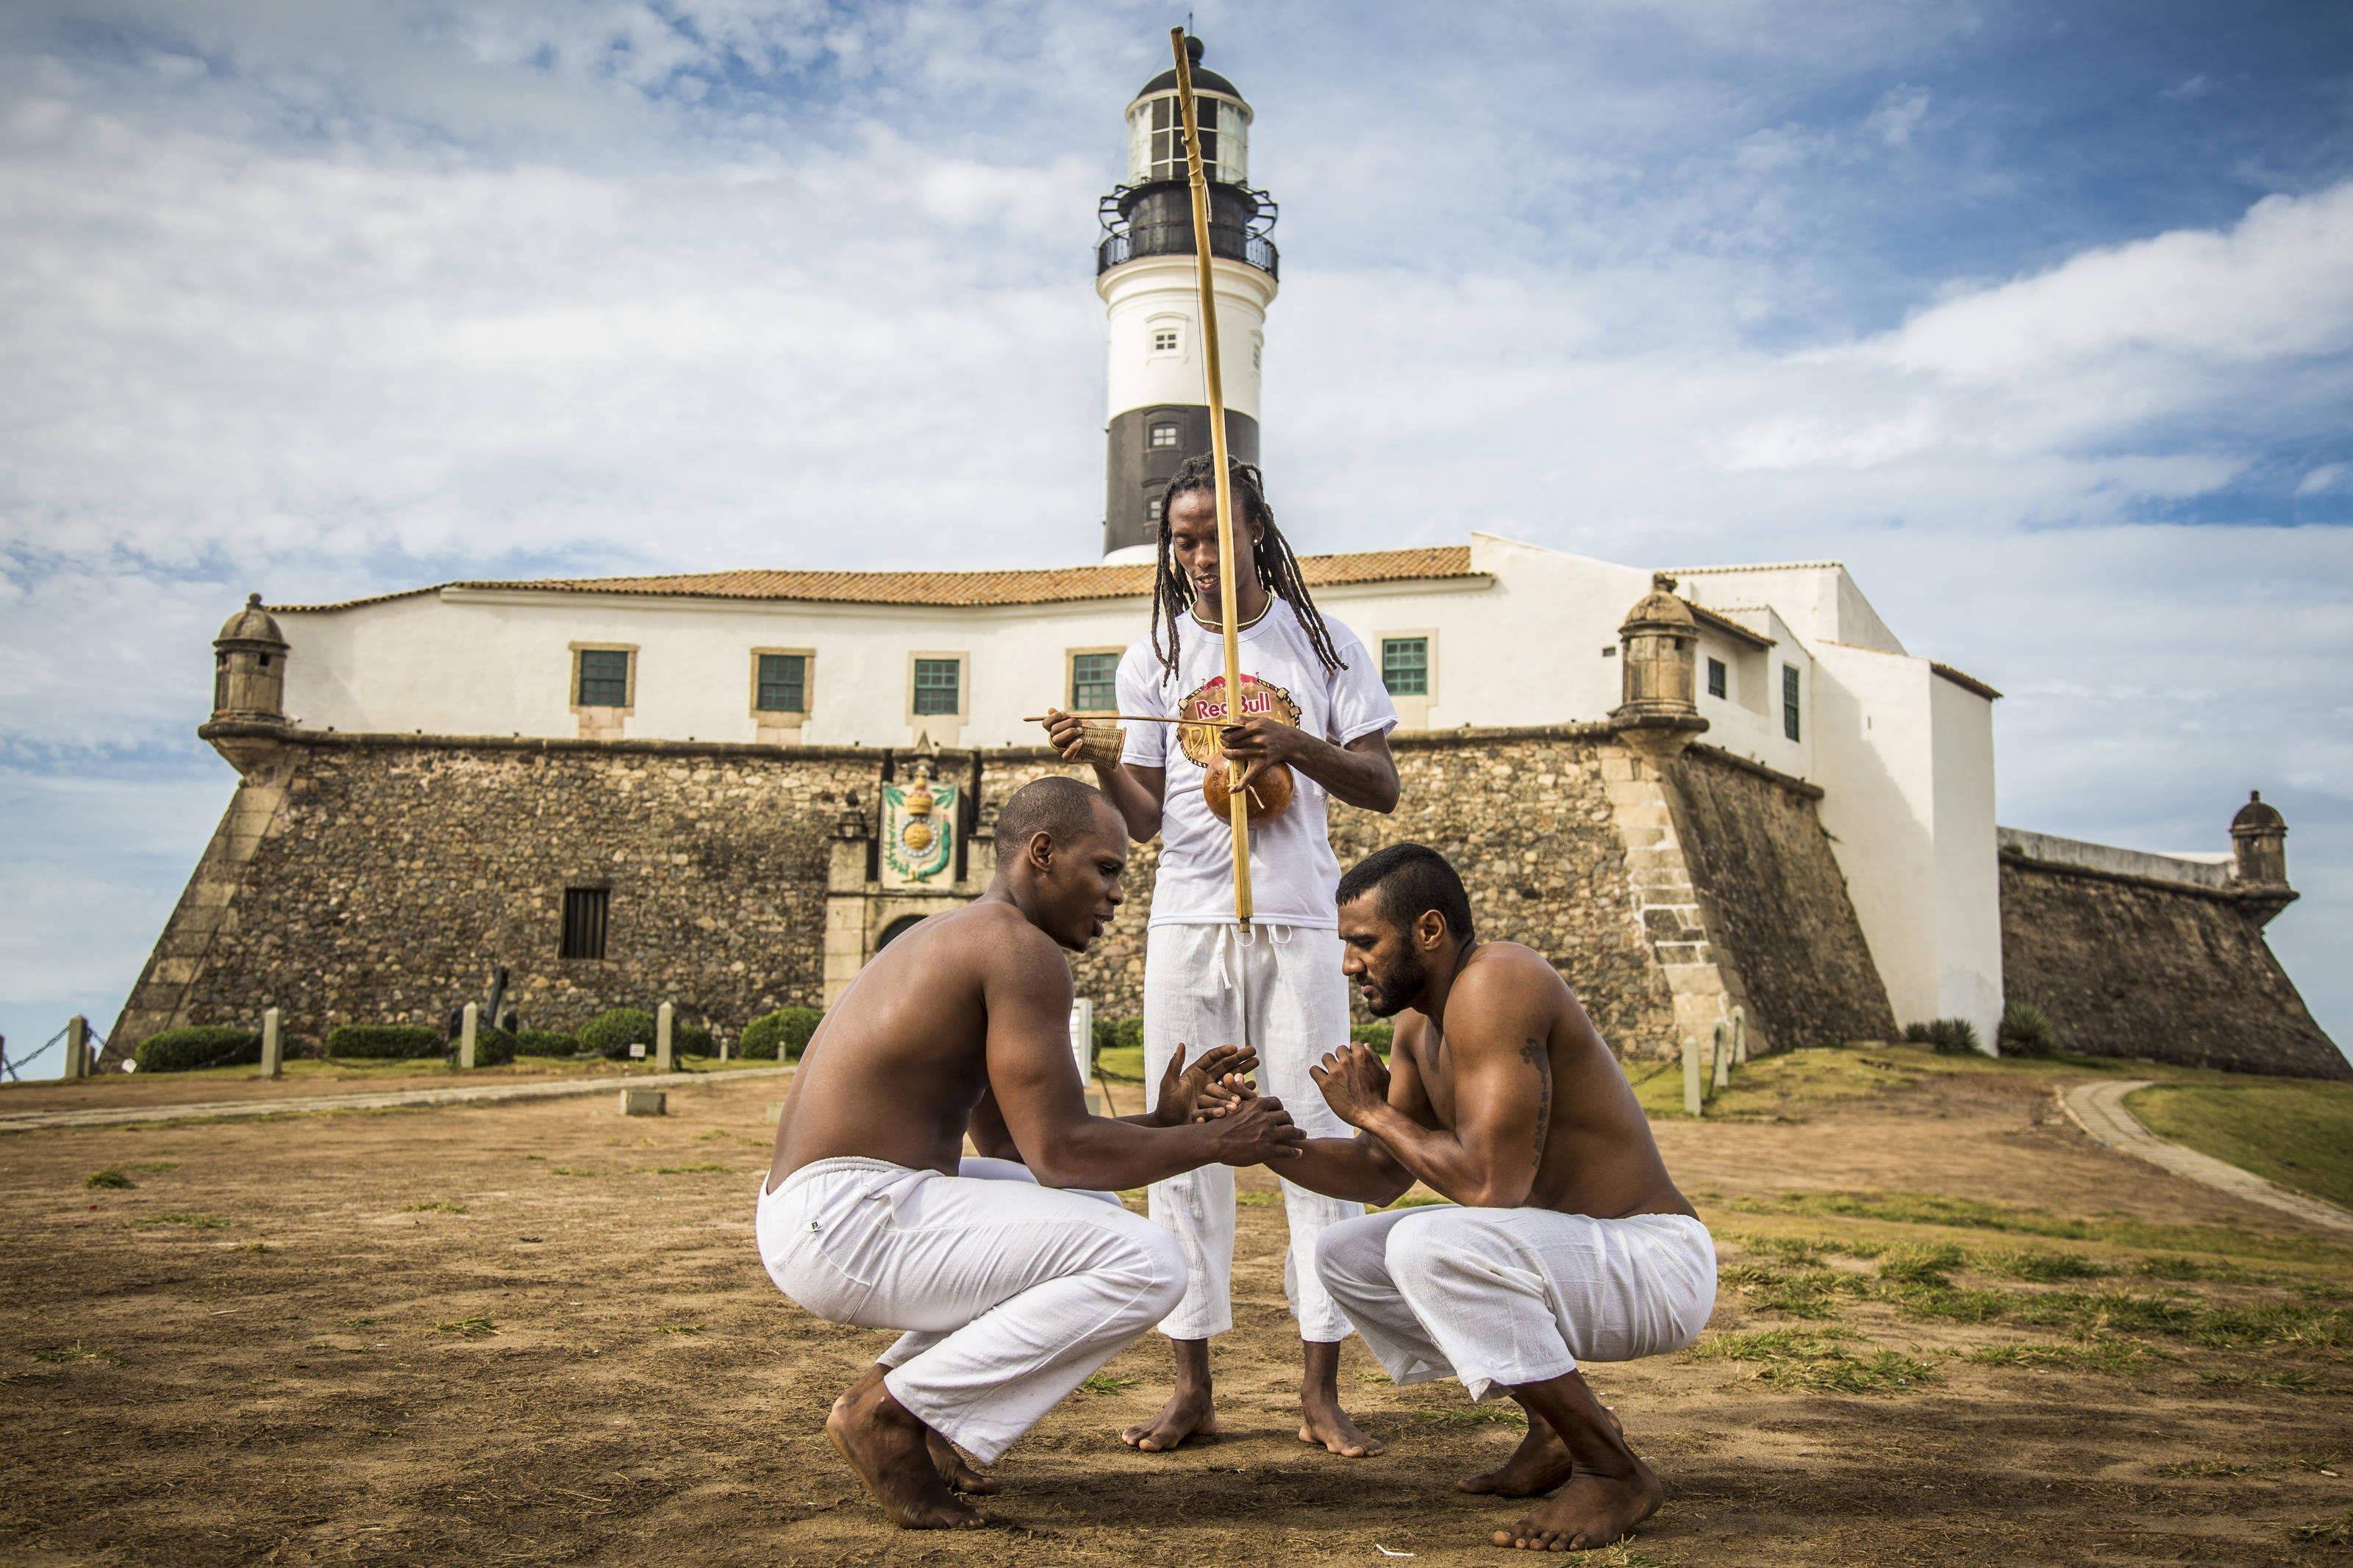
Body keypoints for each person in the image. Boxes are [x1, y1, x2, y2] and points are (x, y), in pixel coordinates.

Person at [756, 776, 1306, 1531]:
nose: (1116, 894)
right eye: (1105, 869)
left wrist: (1163, 1119)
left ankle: (923, 1411)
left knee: (1089, 1208)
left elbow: (1020, 1148)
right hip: (849, 1220)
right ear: (1042, 854)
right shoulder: (1018, 950)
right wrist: (1216, 1140)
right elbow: (1058, 1153)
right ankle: (888, 1414)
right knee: (1148, 1263)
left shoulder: (966, 936)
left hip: (826, 1215)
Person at [1042, 454, 1402, 1457]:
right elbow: (1148, 821)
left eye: (1212, 535)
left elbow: (1380, 783)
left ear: (1257, 530)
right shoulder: (1153, 650)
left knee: (1309, 1137)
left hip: (1295, 918)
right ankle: (1190, 1381)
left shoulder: (1324, 644)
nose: (1196, 557)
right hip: (1190, 921)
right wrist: (1105, 754)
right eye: (1181, 539)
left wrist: (1293, 748)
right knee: (1185, 1142)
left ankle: (1319, 1388)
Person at [1227, 842, 1716, 1553]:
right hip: (1569, 1254)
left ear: (1429, 931)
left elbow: (1491, 1186)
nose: (1347, 965)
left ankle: (1612, 1468)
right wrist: (1259, 1138)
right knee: (1339, 1254)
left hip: (1655, 1261)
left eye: (1364, 943)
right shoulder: (1417, 1023)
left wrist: (1372, 1112)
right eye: (1345, 945)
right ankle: (1555, 1425)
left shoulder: (1498, 982)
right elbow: (1379, 1173)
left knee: (1427, 1246)